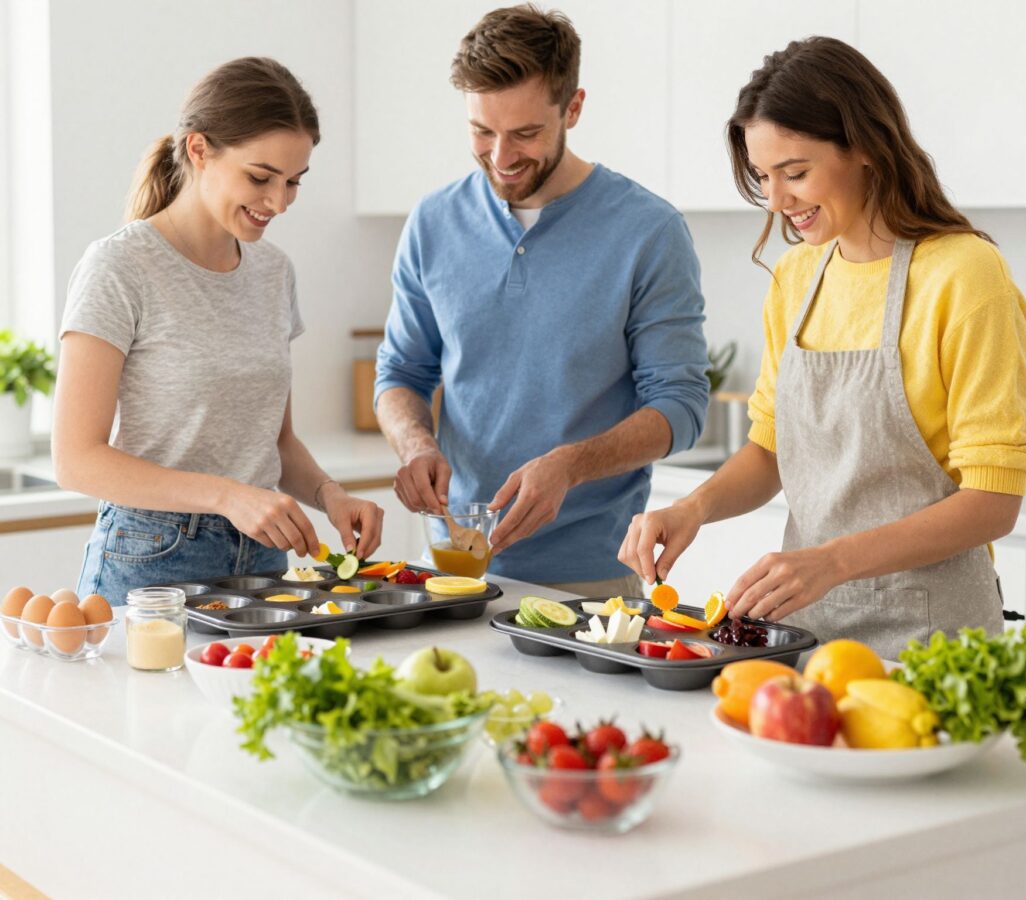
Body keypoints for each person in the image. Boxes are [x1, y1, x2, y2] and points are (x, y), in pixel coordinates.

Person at [619, 37, 1026, 660]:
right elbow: (771, 453)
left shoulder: (965, 275)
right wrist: (692, 509)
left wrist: (834, 560)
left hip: (932, 639)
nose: (777, 201)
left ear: (866, 147)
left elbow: (993, 503)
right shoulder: (797, 278)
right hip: (808, 632)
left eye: (795, 172)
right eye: (763, 177)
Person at [375, 4, 709, 597]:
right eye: (482, 131)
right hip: (456, 568)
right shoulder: (433, 221)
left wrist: (570, 466)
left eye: (525, 133)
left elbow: (681, 406)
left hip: (596, 577)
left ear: (573, 108)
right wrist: (415, 442)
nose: (501, 158)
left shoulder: (648, 231)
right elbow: (400, 372)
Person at [54, 57, 383, 605]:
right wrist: (229, 497)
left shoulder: (273, 271)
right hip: (153, 559)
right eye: (260, 177)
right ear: (199, 149)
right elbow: (75, 458)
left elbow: (275, 442)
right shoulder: (120, 267)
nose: (278, 202)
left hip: (265, 563)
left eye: (293, 182)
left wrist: (331, 495)